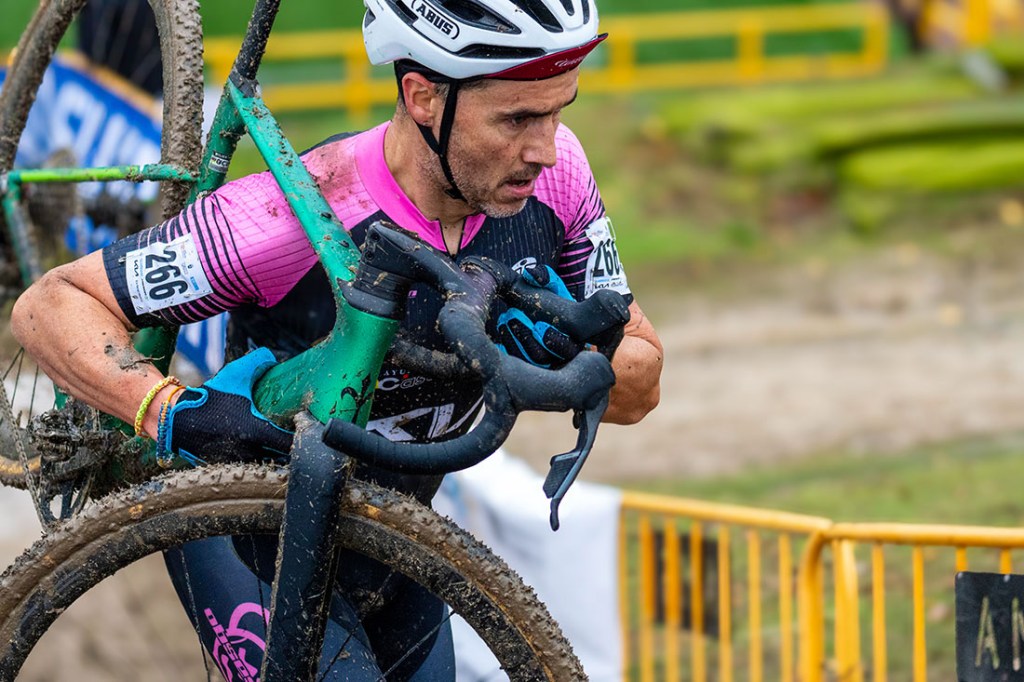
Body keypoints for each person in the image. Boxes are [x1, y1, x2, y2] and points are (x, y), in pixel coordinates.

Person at [11, 0, 664, 677]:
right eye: (517, 119)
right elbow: (50, 305)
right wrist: (171, 411)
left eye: (558, 112)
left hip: (398, 533)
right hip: (253, 535)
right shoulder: (282, 218)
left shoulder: (559, 179)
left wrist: (569, 349)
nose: (545, 149)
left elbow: (640, 385)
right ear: (423, 97)